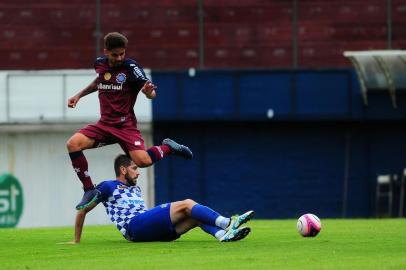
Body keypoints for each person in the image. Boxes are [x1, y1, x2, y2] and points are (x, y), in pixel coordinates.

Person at [66, 32, 193, 210]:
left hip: (125, 126)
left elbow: (149, 91)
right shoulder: (99, 64)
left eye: (122, 54)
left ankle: (168, 147)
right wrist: (79, 95)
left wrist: (149, 92)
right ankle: (89, 189)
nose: (119, 58)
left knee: (143, 162)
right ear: (106, 52)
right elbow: (98, 82)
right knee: (73, 144)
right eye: (115, 54)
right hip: (104, 125)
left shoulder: (131, 67)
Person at [71, 154, 254, 243]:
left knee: (194, 217)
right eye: (135, 168)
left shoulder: (136, 189)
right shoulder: (107, 186)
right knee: (188, 203)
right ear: (123, 169)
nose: (138, 173)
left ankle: (223, 235)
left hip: (147, 228)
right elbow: (83, 209)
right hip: (133, 227)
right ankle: (228, 222)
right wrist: (76, 240)